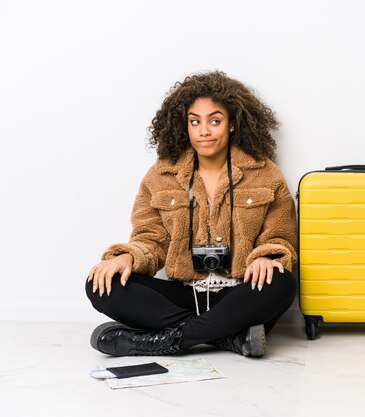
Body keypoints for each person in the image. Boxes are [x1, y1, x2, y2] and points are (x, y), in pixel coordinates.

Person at [85, 71, 297, 358]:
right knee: (100, 284)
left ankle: (162, 341)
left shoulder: (265, 173)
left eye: (214, 120)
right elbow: (150, 239)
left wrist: (266, 257)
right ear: (184, 125)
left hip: (238, 294)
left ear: (232, 124)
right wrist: (127, 256)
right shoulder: (161, 174)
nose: (204, 131)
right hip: (182, 296)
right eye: (195, 121)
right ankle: (229, 338)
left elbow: (280, 237)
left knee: (282, 283)